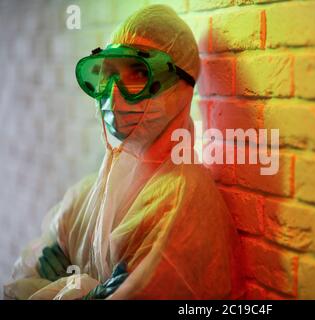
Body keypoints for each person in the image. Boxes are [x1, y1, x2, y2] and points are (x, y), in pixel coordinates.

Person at [4, 4, 246, 300]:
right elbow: (23, 281)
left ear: (180, 88)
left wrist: (73, 286)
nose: (113, 92)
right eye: (108, 74)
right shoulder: (89, 194)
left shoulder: (181, 204)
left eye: (137, 73)